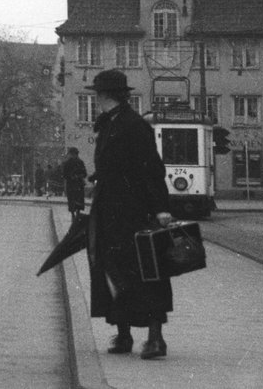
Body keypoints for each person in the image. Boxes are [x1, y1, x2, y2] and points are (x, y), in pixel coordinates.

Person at [85, 69, 175, 361]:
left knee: (146, 275)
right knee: (113, 274)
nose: (95, 99)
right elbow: (117, 163)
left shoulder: (134, 126)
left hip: (133, 212)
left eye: (96, 94)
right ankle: (123, 334)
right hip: (110, 211)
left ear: (104, 95)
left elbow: (152, 170)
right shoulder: (111, 123)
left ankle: (155, 339)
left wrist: (161, 209)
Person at [61, 147, 89, 214]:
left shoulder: (67, 163)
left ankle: (73, 213)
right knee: (78, 200)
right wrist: (79, 176)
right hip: (78, 184)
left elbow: (64, 175)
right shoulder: (80, 162)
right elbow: (84, 173)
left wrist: (72, 177)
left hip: (71, 184)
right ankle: (77, 213)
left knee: (72, 200)